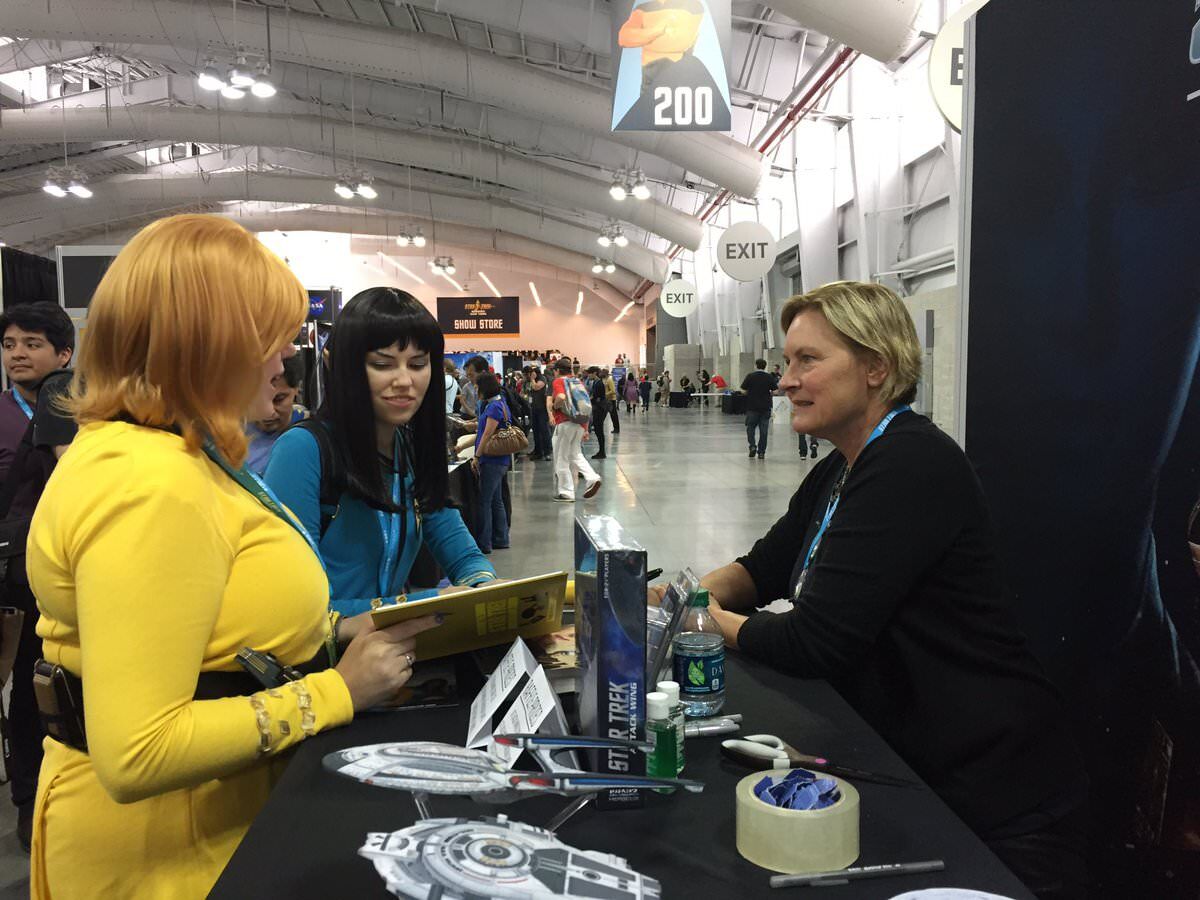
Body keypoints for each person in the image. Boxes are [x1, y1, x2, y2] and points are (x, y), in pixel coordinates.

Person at [25, 215, 442, 899]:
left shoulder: (175, 454)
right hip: (167, 848)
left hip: (213, 821)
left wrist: (336, 632)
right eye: (267, 342)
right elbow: (139, 750)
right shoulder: (150, 482)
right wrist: (334, 691)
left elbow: (216, 628)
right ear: (208, 344)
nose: (283, 362)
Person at [657, 281, 1088, 899]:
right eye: (786, 362)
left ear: (876, 368)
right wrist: (685, 591)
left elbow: (813, 642)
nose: (785, 380)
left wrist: (699, 616)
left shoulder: (910, 464)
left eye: (808, 360)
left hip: (997, 796)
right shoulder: (843, 465)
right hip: (924, 771)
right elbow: (763, 566)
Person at [266, 288, 497, 617]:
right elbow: (291, 609)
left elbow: (463, 554)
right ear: (336, 366)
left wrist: (484, 586)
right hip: (329, 664)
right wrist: (422, 606)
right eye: (381, 364)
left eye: (418, 364)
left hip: (391, 660)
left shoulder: (411, 451)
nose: (404, 380)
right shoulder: (302, 451)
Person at [0, 301, 75, 852]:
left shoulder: (75, 405)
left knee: (56, 680)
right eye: (9, 344)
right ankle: (28, 799)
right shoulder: (2, 413)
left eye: (31, 344)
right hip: (13, 573)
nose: (18, 353)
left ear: (63, 354)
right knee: (26, 687)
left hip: (62, 568)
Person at [245, 354, 309, 475]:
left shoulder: (310, 436)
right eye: (258, 399)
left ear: (297, 389)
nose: (268, 411)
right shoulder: (230, 431)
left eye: (279, 399)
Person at [549, 358, 601, 502]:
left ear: (557, 370)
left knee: (561, 458)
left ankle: (566, 492)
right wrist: (585, 428)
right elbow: (584, 405)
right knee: (575, 454)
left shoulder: (559, 381)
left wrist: (554, 407)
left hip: (565, 424)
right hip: (579, 423)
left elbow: (560, 396)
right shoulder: (578, 382)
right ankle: (592, 478)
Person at [472, 373, 512, 554]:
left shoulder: (494, 407)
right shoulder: (499, 404)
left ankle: (484, 543)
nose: (475, 389)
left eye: (477, 386)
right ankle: (501, 538)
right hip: (499, 460)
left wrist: (477, 456)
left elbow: (487, 434)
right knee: (496, 501)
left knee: (485, 501)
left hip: (492, 460)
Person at [741, 358, 775, 459]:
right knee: (763, 431)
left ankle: (752, 446)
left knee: (750, 428)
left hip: (752, 407)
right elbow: (776, 391)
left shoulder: (750, 376)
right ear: (765, 366)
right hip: (765, 408)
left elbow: (743, 390)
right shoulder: (769, 377)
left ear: (756, 365)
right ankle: (761, 452)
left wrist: (749, 393)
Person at [526, 366, 552, 461]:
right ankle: (538, 451)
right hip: (534, 408)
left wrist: (532, 379)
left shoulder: (542, 378)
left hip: (542, 409)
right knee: (536, 431)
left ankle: (547, 452)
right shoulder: (532, 380)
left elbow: (536, 387)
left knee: (544, 431)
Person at [587, 367, 609, 460]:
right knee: (598, 430)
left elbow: (596, 397)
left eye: (590, 373)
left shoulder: (599, 383)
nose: (588, 375)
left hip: (600, 409)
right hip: (598, 408)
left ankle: (602, 452)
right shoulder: (596, 382)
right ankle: (601, 451)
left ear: (594, 373)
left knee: (599, 430)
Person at [603, 368, 620, 433]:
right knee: (603, 414)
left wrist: (605, 394)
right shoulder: (606, 380)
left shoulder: (609, 380)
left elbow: (613, 391)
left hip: (611, 400)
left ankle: (616, 428)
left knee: (613, 415)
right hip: (607, 399)